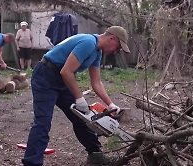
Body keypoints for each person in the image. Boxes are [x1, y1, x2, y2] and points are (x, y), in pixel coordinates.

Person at [22, 26, 130, 166]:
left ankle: (95, 155)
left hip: (62, 79)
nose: (116, 51)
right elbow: (66, 72)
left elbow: (96, 82)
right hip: (46, 75)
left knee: (82, 118)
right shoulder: (88, 43)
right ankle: (32, 163)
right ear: (112, 39)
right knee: (43, 122)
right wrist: (79, 98)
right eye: (118, 47)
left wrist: (110, 104)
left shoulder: (96, 52)